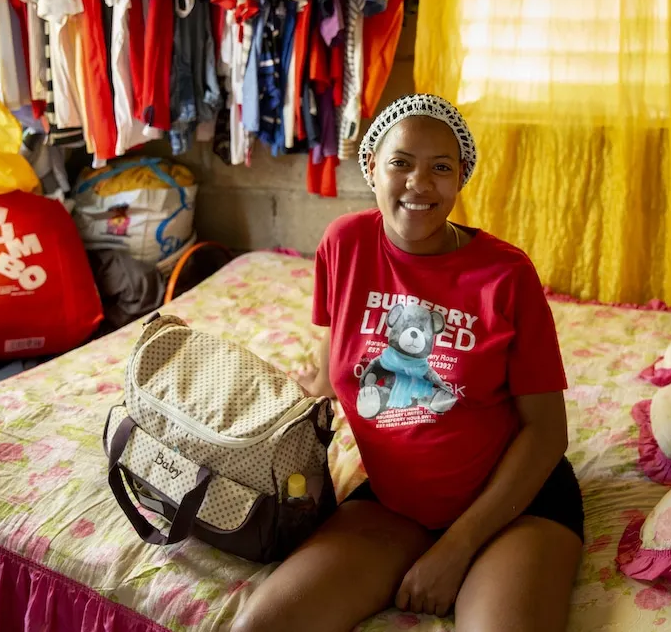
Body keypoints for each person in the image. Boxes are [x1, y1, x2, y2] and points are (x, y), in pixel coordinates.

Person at [231, 94, 584, 632]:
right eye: (401, 163)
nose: (420, 183)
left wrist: (456, 549)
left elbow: (546, 432)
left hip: (514, 506)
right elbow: (335, 358)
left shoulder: (505, 276)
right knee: (262, 627)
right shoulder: (344, 244)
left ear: (460, 179)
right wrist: (308, 388)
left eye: (441, 167)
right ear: (371, 168)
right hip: (395, 504)